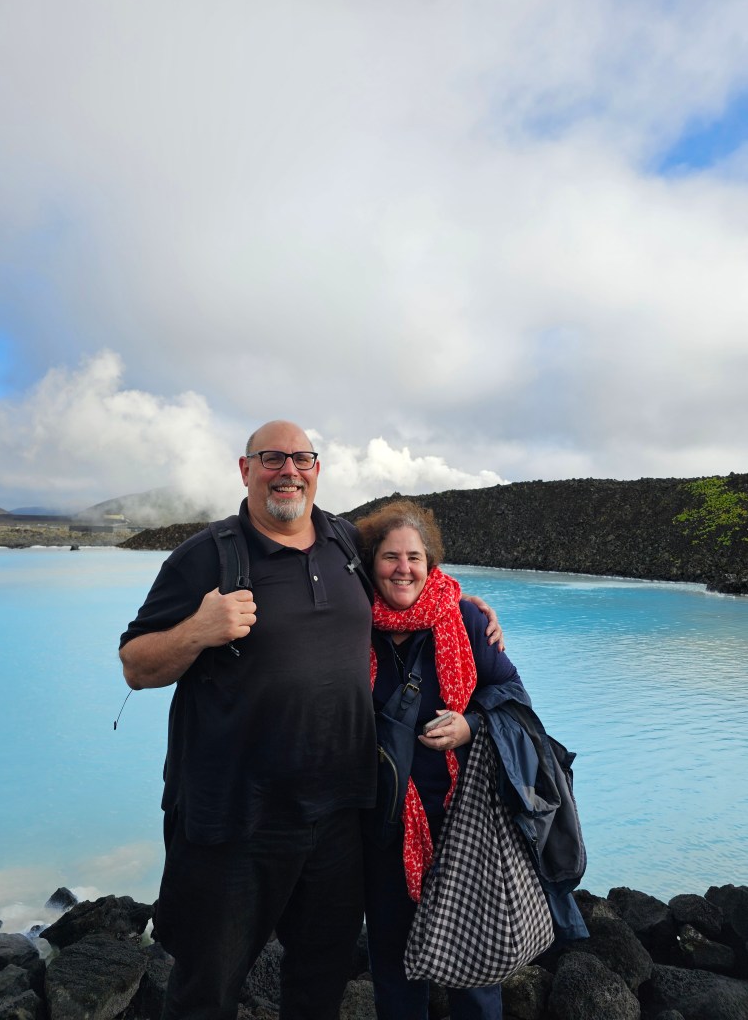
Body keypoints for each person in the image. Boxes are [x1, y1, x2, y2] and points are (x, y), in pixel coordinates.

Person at [118, 419, 502, 1020]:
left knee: (318, 981)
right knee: (206, 988)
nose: (288, 471)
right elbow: (136, 664)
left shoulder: (347, 544)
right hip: (234, 823)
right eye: (272, 458)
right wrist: (198, 630)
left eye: (301, 458)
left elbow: (411, 579)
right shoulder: (206, 557)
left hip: (338, 818)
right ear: (245, 470)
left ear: (317, 470)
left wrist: (467, 607)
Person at [356, 499, 524, 1020]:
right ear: (370, 563)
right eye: (389, 557)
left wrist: (470, 724)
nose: (403, 568)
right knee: (394, 964)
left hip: (462, 821)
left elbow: (514, 695)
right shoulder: (346, 621)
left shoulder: (466, 619)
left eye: (413, 557)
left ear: (431, 563)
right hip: (381, 823)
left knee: (472, 968)